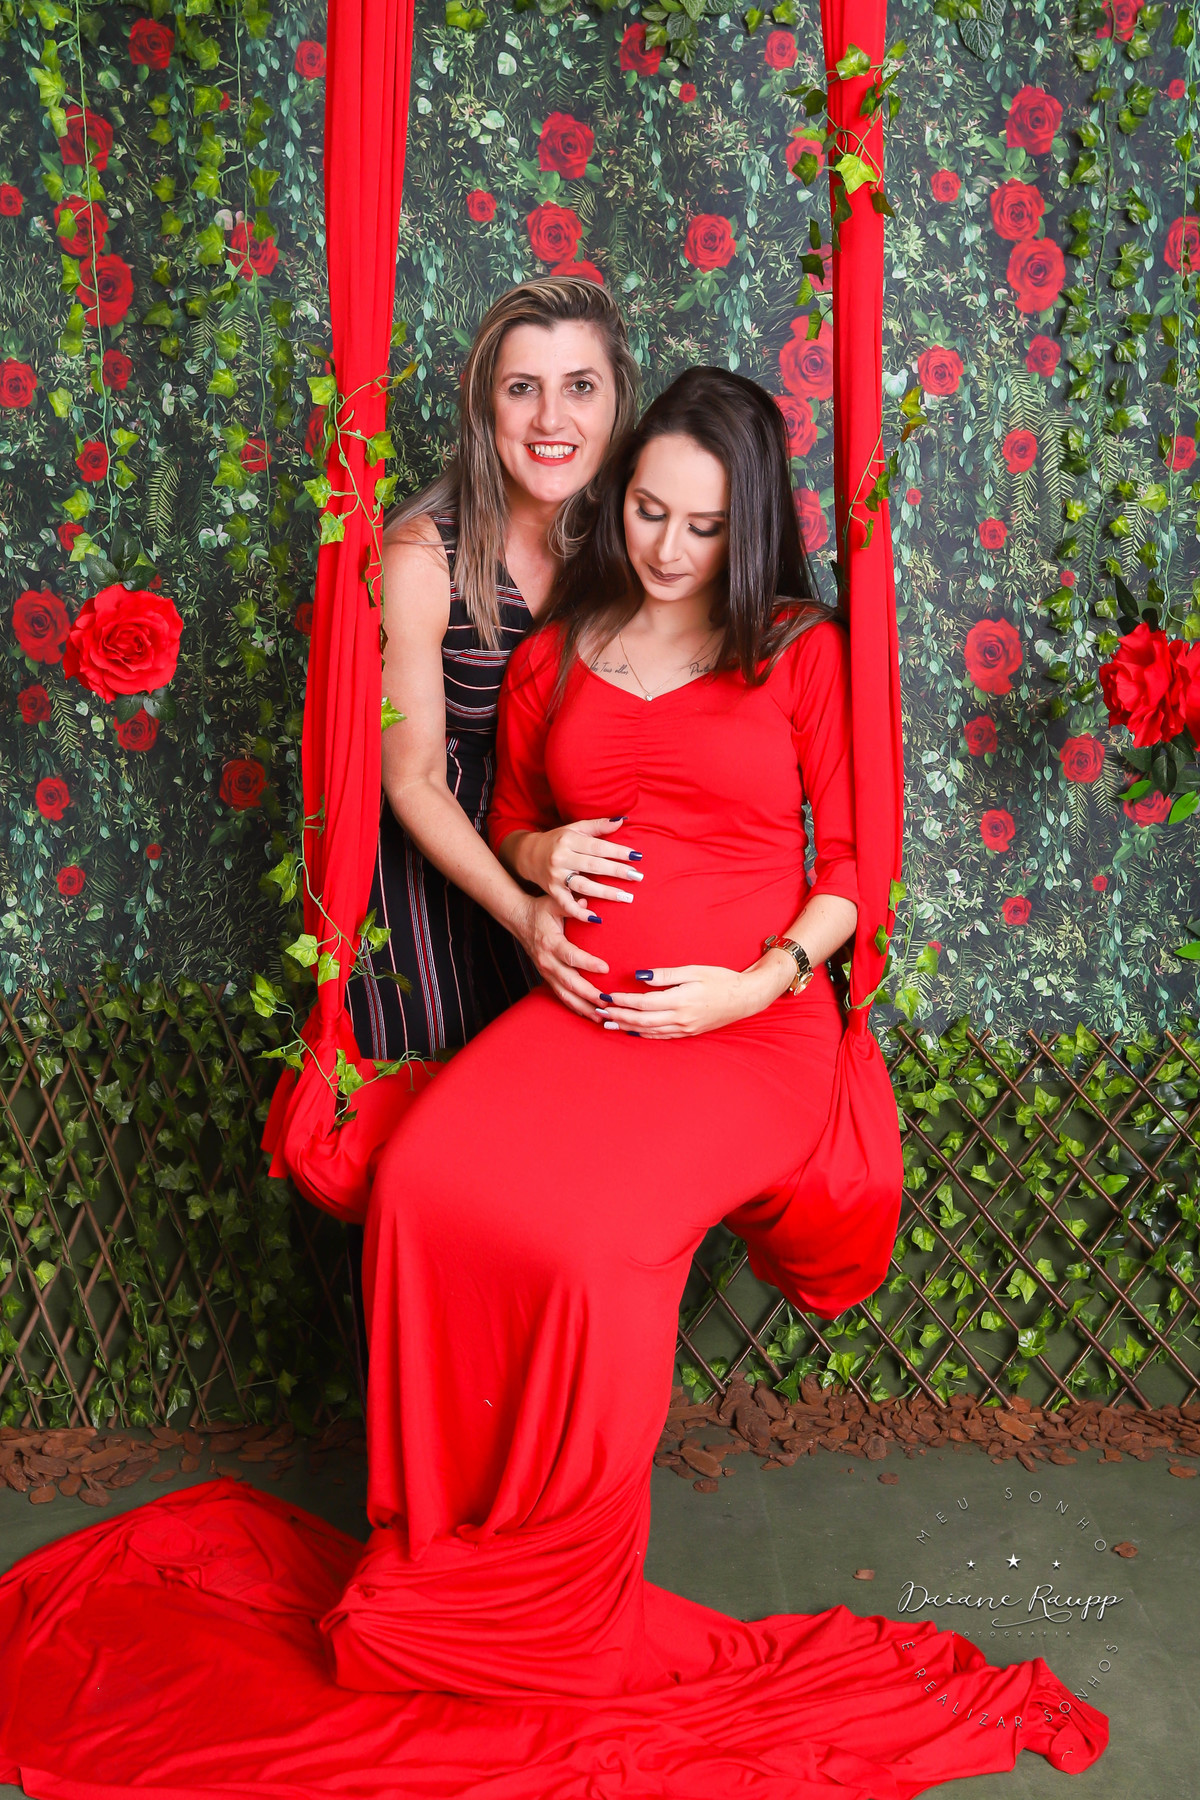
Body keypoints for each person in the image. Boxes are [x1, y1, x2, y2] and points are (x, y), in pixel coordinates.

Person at [0, 372, 1106, 1796]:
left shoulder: (799, 651)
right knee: (423, 1183)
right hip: (579, 1014)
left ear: (751, 525)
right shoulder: (562, 651)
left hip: (745, 1034)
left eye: (704, 526)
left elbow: (853, 870)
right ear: (618, 496)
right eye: (647, 510)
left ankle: (552, 1593)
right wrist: (535, 864)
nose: (669, 547)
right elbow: (514, 813)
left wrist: (758, 980)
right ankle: (442, 1554)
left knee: (593, 1245)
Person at [347, 273, 639, 1065]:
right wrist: (522, 915)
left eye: (580, 387)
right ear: (486, 407)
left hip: (563, 864)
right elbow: (412, 782)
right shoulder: (420, 557)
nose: (552, 419)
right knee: (432, 1084)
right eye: (522, 388)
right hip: (430, 867)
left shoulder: (635, 550)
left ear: (617, 404)